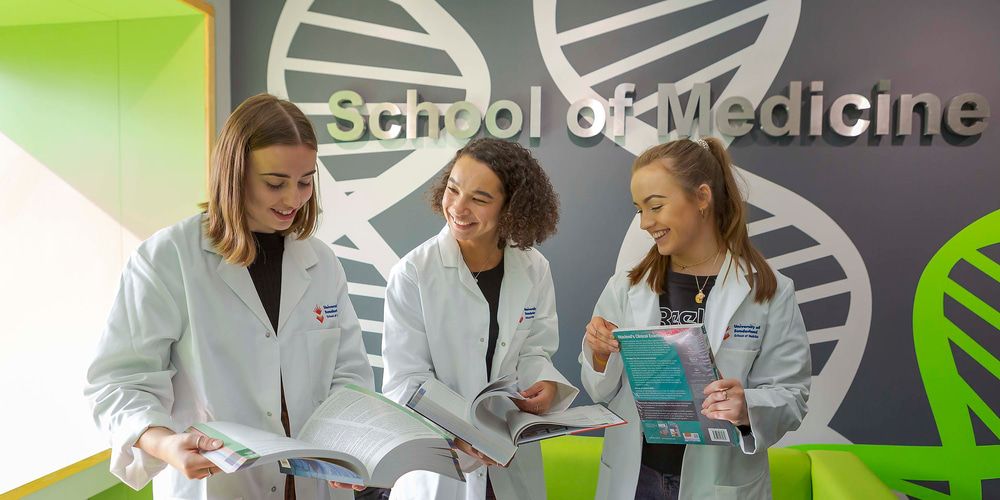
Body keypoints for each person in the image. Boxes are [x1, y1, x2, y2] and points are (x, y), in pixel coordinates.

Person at [85, 93, 375, 500]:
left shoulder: (321, 263)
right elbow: (118, 383)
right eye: (275, 183)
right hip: (218, 485)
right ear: (234, 174)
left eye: (305, 181)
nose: (293, 199)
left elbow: (348, 377)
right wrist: (162, 442)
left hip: (314, 488)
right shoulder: (168, 259)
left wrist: (356, 447)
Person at [580, 138, 811, 499]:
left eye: (655, 206)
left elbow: (792, 397)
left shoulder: (768, 289)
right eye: (639, 209)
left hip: (719, 483)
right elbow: (601, 390)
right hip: (636, 478)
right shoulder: (628, 286)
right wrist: (599, 353)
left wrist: (747, 406)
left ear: (702, 197)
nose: (645, 223)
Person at [381, 138, 579, 500]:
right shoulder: (413, 273)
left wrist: (545, 384)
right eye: (453, 189)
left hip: (511, 462)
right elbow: (406, 381)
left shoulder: (533, 268)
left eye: (479, 199)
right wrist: (460, 434)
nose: (458, 207)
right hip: (442, 465)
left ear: (512, 207)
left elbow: (535, 350)